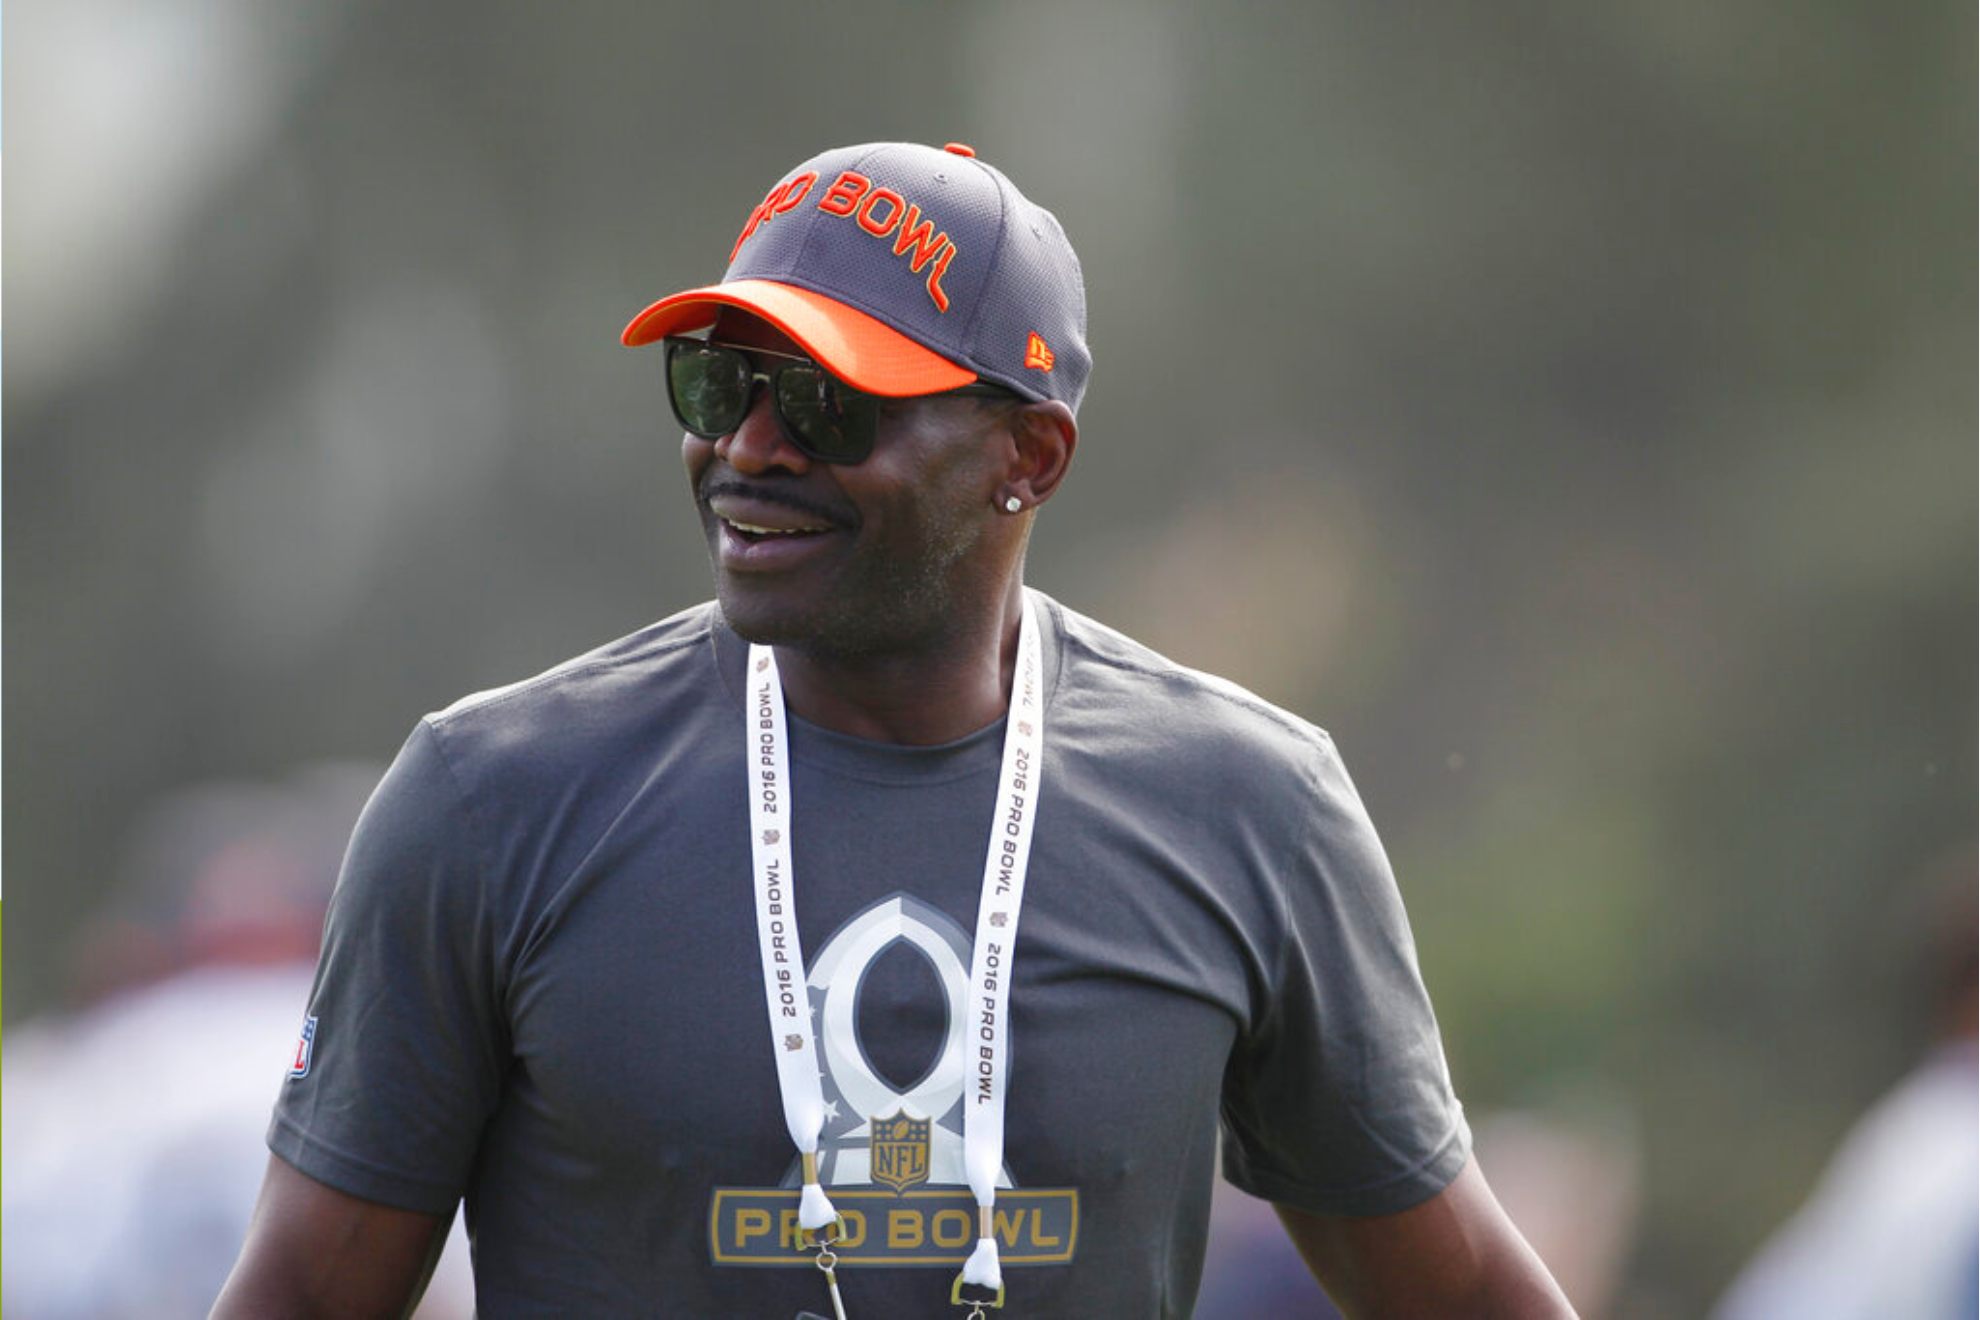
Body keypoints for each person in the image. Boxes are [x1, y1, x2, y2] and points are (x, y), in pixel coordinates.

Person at [214, 140, 1573, 1318]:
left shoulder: (1249, 810)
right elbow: (302, 1298)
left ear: (1026, 459)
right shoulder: (490, 803)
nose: (748, 448)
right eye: (717, 384)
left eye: (822, 403)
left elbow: (1453, 1290)